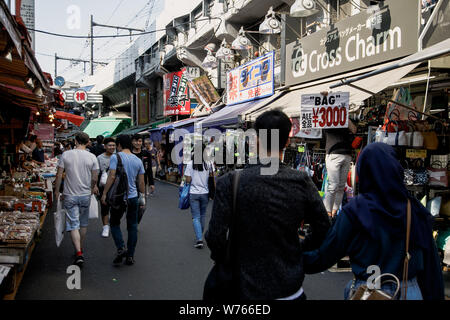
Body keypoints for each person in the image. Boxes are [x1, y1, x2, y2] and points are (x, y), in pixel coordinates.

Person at [205, 110, 331, 300]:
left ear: (256, 140)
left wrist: (231, 259)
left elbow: (215, 237)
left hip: (243, 288)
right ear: (287, 142)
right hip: (290, 289)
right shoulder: (301, 181)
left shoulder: (230, 182)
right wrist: (299, 249)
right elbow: (323, 227)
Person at [303, 143, 445, 300]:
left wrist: (289, 258)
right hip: (408, 291)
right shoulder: (415, 210)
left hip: (368, 291)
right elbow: (431, 268)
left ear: (364, 172)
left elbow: (326, 255)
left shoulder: (355, 211)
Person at [54, 132, 99, 267]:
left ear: (75, 141)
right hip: (85, 195)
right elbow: (95, 177)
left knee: (73, 224)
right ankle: (80, 248)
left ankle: (78, 252)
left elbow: (59, 174)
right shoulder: (92, 157)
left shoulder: (66, 154)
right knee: (83, 223)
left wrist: (57, 191)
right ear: (87, 142)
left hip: (69, 194)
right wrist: (92, 188)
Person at [101, 135, 146, 266]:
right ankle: (130, 256)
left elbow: (112, 176)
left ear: (119, 144)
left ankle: (121, 248)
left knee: (114, 223)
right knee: (132, 226)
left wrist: (104, 193)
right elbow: (142, 182)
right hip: (133, 197)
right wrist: (142, 196)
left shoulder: (116, 157)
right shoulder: (137, 160)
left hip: (118, 198)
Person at [322, 118, 357, 220]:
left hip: (345, 154)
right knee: (334, 185)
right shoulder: (328, 118)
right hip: (334, 154)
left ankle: (334, 212)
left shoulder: (343, 117)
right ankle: (328, 213)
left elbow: (354, 129)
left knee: (340, 186)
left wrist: (346, 118)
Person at [184, 143, 214, 249]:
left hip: (194, 193)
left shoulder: (190, 164)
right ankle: (199, 236)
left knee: (195, 217)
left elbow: (187, 180)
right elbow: (212, 177)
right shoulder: (209, 163)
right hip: (205, 193)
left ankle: (199, 239)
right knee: (202, 215)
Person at [97, 138, 116, 238]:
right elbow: (96, 173)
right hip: (103, 186)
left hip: (116, 186)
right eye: (110, 145)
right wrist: (95, 186)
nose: (112, 147)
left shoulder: (118, 156)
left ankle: (112, 224)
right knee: (104, 207)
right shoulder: (99, 158)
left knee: (115, 207)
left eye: (113, 145)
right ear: (104, 146)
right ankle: (105, 226)